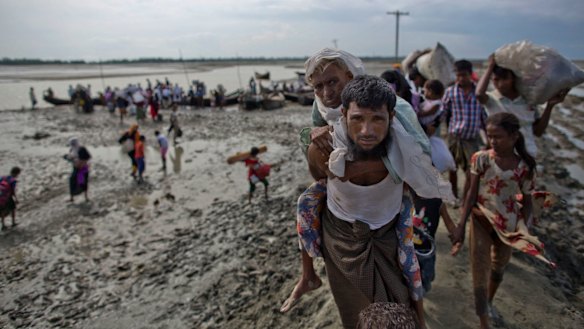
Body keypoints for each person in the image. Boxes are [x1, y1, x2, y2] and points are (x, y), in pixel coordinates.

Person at [282, 48, 444, 317]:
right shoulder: (321, 109)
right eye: (318, 86)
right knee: (306, 204)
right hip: (343, 216)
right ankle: (307, 275)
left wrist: (358, 169)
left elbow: (420, 154)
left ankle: (418, 315)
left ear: (349, 75)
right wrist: (313, 136)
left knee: (407, 264)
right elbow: (317, 168)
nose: (326, 92)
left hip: (388, 208)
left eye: (333, 82)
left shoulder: (389, 107)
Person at [305, 75, 456, 328]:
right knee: (354, 315)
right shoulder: (324, 150)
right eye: (357, 119)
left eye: (377, 119)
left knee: (399, 307)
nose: (367, 131)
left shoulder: (407, 153)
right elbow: (320, 183)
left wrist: (450, 225)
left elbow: (426, 188)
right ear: (343, 115)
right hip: (341, 243)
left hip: (389, 239)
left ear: (392, 117)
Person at [451, 112, 556, 329]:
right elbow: (471, 192)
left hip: (507, 227)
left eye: (498, 137)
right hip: (481, 220)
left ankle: (489, 301)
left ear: (514, 136)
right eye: (489, 136)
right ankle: (483, 321)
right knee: (479, 271)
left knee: (498, 269)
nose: (493, 141)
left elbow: (527, 201)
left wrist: (524, 230)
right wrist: (461, 225)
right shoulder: (480, 158)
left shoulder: (525, 167)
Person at [476, 54, 570, 157]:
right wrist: (490, 66)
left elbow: (538, 132)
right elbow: (479, 94)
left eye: (505, 79)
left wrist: (549, 107)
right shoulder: (492, 100)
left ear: (514, 79)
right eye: (496, 80)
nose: (501, 84)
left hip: (527, 156)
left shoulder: (528, 101)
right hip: (501, 159)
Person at [442, 59, 487, 202]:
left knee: (471, 170)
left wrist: (488, 137)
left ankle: (467, 199)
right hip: (455, 136)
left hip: (471, 139)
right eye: (458, 75)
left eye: (464, 75)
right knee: (453, 167)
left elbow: (484, 116)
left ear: (470, 74)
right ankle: (454, 193)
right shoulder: (450, 92)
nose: (461, 78)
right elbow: (443, 111)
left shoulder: (479, 93)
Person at [64, 138, 91, 202]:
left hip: (83, 168)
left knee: (83, 182)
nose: (73, 145)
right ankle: (71, 198)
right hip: (76, 168)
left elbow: (88, 157)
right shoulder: (71, 149)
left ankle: (86, 197)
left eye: (74, 143)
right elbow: (71, 157)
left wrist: (82, 164)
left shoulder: (82, 149)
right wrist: (68, 158)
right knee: (72, 181)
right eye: (71, 144)